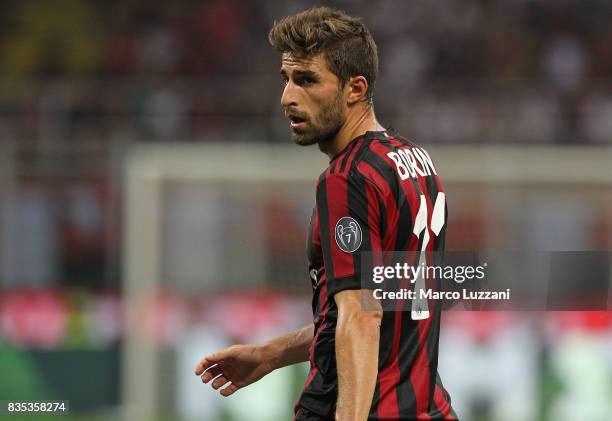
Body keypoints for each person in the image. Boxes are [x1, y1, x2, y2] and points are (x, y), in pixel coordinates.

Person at [195, 7, 458, 420]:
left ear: (355, 88)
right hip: (428, 409)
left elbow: (362, 315)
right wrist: (270, 354)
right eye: (286, 80)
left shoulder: (347, 178)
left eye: (307, 80)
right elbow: (375, 308)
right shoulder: (414, 160)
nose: (287, 98)